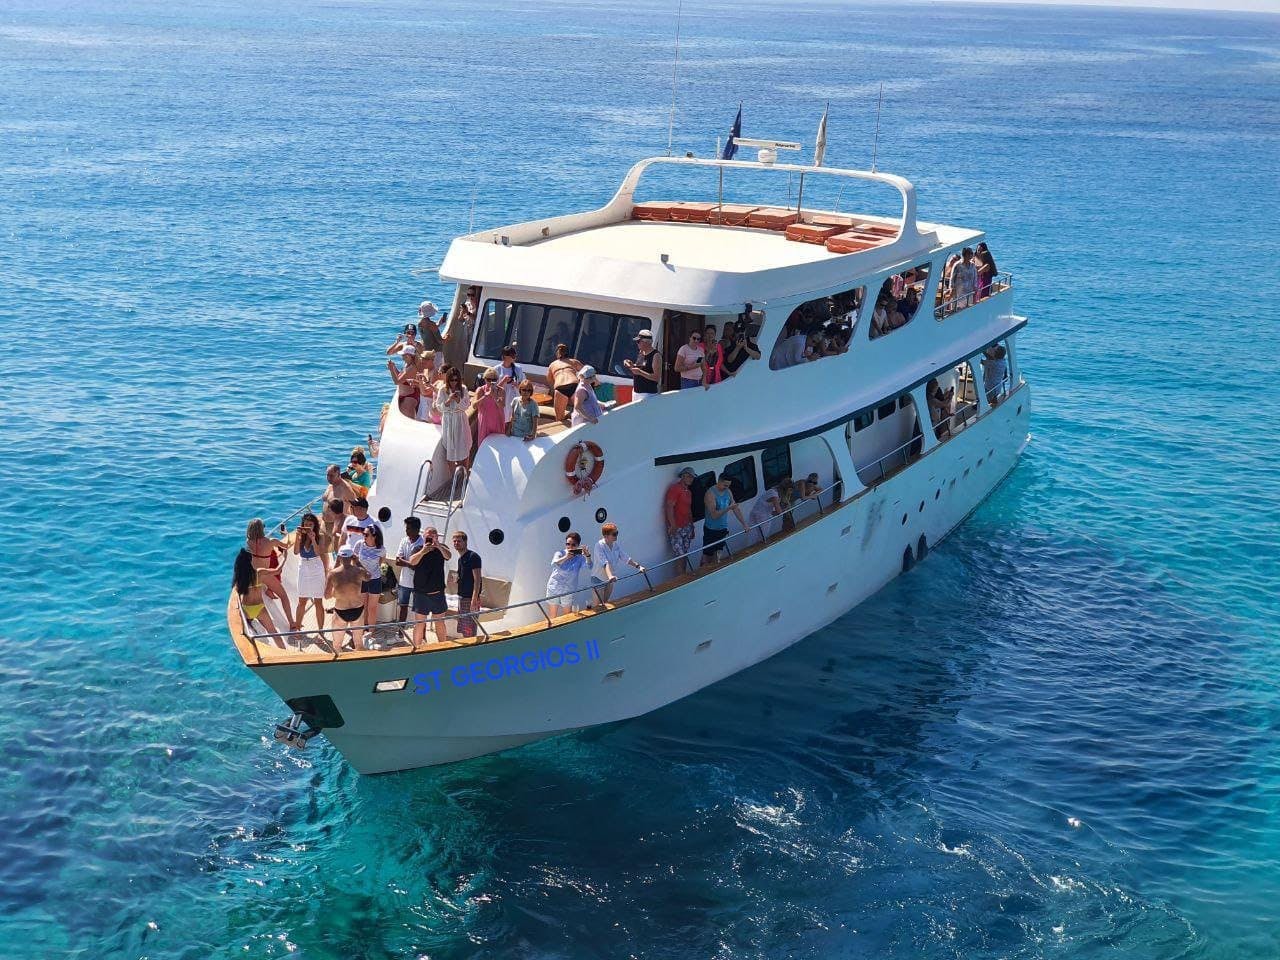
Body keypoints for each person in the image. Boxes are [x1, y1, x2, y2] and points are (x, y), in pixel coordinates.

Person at [246, 518, 294, 630]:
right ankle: (291, 622)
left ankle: (250, 620)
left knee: (254, 599)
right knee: (283, 596)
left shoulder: (248, 542)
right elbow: (286, 545)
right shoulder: (271, 541)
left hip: (253, 575)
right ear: (262, 529)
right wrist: (286, 534)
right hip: (265, 574)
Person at [408, 526, 452, 648]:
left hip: (438, 593)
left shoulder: (442, 548)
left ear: (437, 536)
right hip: (421, 594)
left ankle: (443, 647)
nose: (430, 538)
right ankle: (416, 648)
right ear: (424, 537)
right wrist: (423, 551)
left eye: (433, 536)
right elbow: (412, 561)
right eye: (428, 536)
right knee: (419, 623)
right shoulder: (418, 549)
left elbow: (448, 556)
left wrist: (438, 545)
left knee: (439, 622)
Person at [292, 512, 329, 634]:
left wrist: (313, 539)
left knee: (318, 601)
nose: (308, 527)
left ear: (315, 525)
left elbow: (319, 553)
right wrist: (297, 537)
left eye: (310, 525)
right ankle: (297, 629)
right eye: (306, 524)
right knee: (302, 600)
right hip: (303, 567)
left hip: (316, 567)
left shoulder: (320, 536)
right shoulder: (301, 537)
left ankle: (320, 631)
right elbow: (296, 552)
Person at [590, 522, 644, 606]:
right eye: (614, 534)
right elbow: (604, 562)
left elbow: (625, 558)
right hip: (598, 579)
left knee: (606, 603)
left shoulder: (615, 545)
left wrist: (638, 566)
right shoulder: (599, 546)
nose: (616, 535)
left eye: (617, 533)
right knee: (597, 606)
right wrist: (610, 576)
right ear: (606, 536)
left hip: (610, 579)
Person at [325, 544, 366, 650]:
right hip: (357, 609)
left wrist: (337, 592)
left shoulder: (332, 574)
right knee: (359, 644)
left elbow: (327, 596)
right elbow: (369, 576)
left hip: (341, 611)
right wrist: (357, 562)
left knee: (337, 645)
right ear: (352, 556)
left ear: (339, 557)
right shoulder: (359, 571)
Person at [702, 473, 746, 565]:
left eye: (728, 486)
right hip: (711, 530)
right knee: (707, 557)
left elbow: (735, 508)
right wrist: (728, 508)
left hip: (722, 529)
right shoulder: (710, 494)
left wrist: (744, 524)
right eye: (725, 485)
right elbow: (714, 515)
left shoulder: (728, 491)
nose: (727, 488)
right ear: (719, 481)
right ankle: (702, 571)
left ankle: (716, 568)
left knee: (718, 555)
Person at [233, 548, 279, 635]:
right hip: (260, 608)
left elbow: (238, 594)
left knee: (244, 634)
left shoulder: (240, 579)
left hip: (246, 609)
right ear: (251, 561)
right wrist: (285, 558)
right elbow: (277, 570)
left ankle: (250, 627)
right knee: (273, 632)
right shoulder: (259, 572)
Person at [435, 367, 472, 472]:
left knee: (464, 446)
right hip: (448, 420)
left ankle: (464, 474)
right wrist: (449, 400)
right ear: (448, 380)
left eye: (456, 380)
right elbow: (439, 407)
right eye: (452, 380)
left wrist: (458, 400)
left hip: (460, 420)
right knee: (450, 449)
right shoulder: (443, 390)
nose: (454, 382)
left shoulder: (463, 389)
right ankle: (452, 476)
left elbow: (466, 406)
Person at [354, 524, 386, 643]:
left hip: (375, 580)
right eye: (364, 534)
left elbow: (382, 562)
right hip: (361, 580)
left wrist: (376, 572)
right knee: (362, 607)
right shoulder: (359, 544)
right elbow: (354, 560)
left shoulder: (381, 549)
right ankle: (362, 630)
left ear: (374, 536)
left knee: (372, 608)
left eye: (367, 534)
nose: (364, 536)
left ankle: (370, 633)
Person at [546, 532, 590, 617]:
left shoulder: (580, 557)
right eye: (568, 544)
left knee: (568, 616)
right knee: (552, 617)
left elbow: (589, 566)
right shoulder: (560, 553)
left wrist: (587, 556)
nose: (570, 547)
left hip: (568, 589)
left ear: (578, 545)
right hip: (554, 587)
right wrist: (566, 557)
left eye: (573, 545)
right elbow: (554, 564)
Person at [392, 516, 425, 623]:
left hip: (418, 582)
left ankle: (420, 631)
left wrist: (406, 562)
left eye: (409, 528)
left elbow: (418, 566)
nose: (406, 531)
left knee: (419, 610)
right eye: (406, 528)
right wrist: (410, 563)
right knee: (403, 607)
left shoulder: (423, 543)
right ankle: (401, 630)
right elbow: (397, 561)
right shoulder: (404, 540)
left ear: (416, 529)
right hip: (404, 581)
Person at [451, 530, 483, 639]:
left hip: (470, 598)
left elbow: (477, 580)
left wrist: (474, 599)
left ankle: (472, 646)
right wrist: (456, 580)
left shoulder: (473, 557)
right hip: (462, 597)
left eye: (459, 541)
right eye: (454, 541)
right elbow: (462, 577)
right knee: (464, 627)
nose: (456, 543)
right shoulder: (460, 559)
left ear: (465, 542)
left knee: (470, 628)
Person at [664, 467, 697, 574]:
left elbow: (689, 510)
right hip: (677, 527)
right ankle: (681, 577)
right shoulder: (675, 489)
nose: (691, 479)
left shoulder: (689, 492)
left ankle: (684, 575)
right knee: (680, 555)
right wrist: (673, 525)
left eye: (692, 477)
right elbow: (669, 506)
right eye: (689, 476)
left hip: (687, 526)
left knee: (685, 553)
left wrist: (692, 527)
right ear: (683, 476)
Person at [747, 478, 792, 544]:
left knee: (755, 535)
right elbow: (779, 511)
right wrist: (786, 509)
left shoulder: (774, 491)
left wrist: (773, 513)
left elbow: (776, 511)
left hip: (760, 513)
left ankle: (757, 545)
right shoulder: (774, 495)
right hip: (760, 516)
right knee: (761, 536)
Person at [547, 344, 583, 423]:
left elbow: (549, 380)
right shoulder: (573, 361)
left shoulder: (552, 365)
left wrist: (554, 388)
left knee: (559, 419)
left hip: (560, 387)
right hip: (574, 385)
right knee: (582, 413)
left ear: (557, 353)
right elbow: (586, 372)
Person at [622, 329, 661, 400]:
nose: (637, 343)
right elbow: (639, 367)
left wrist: (640, 372)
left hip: (648, 394)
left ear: (646, 342)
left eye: (638, 341)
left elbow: (656, 378)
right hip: (636, 392)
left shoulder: (656, 355)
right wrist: (631, 364)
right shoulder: (641, 352)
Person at [472, 368, 506, 448]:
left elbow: (502, 406)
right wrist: (485, 396)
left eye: (494, 380)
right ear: (485, 379)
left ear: (497, 380)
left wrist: (494, 396)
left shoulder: (501, 390)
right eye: (488, 379)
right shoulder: (480, 390)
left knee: (498, 445)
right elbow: (474, 406)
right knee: (484, 446)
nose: (491, 382)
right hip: (485, 422)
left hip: (497, 421)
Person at [490, 346, 524, 424]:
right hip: (502, 399)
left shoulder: (518, 369)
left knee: (514, 420)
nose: (514, 358)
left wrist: (516, 384)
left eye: (515, 355)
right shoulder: (496, 369)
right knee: (502, 420)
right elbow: (493, 388)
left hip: (515, 398)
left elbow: (523, 385)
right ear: (505, 357)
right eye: (512, 356)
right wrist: (504, 381)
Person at [387, 348, 422, 418]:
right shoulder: (407, 365)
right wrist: (394, 367)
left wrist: (391, 370)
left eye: (403, 355)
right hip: (405, 396)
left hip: (409, 398)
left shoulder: (412, 368)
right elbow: (400, 377)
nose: (402, 358)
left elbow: (397, 381)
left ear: (409, 356)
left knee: (409, 420)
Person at [948, 247, 978, 312]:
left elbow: (975, 277)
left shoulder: (972, 265)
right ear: (964, 254)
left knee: (968, 309)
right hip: (958, 292)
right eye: (969, 253)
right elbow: (952, 278)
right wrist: (952, 289)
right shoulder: (957, 265)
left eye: (971, 253)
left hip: (969, 292)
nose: (971, 255)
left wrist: (975, 287)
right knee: (956, 310)